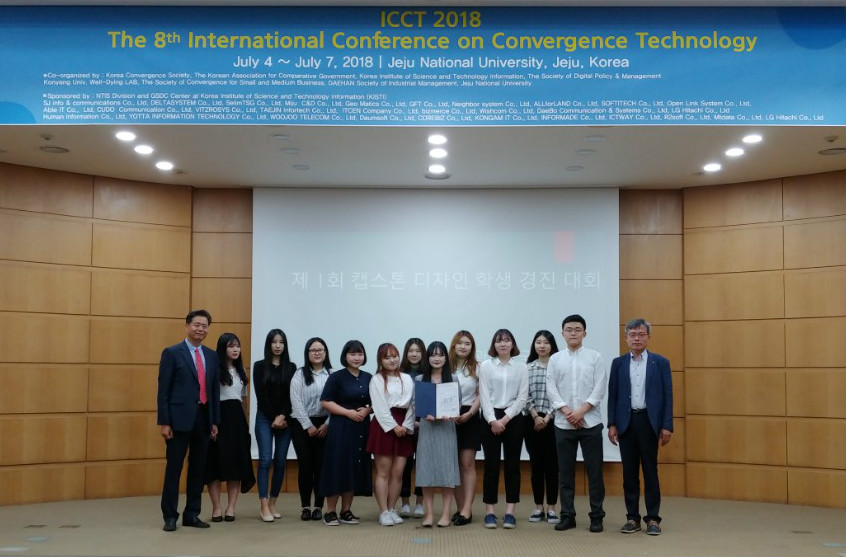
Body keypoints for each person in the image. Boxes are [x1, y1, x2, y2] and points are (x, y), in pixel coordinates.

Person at [607, 318, 673, 536]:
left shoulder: (660, 362)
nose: (636, 338)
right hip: (626, 423)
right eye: (632, 335)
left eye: (641, 334)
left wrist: (667, 425)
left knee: (650, 471)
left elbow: (668, 396)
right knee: (629, 473)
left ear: (648, 337)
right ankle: (632, 518)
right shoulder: (618, 363)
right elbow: (613, 396)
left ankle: (653, 518)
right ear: (626, 338)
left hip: (649, 422)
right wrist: (612, 424)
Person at [157, 309, 220, 532]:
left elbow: (213, 391)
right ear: (187, 326)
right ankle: (170, 516)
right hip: (178, 420)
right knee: (174, 469)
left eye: (204, 326)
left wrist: (214, 421)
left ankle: (192, 514)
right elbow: (163, 391)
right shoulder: (172, 353)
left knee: (198, 469)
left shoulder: (212, 355)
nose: (200, 329)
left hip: (203, 419)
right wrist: (164, 422)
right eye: (196, 325)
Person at [546, 315, 607, 533]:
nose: (573, 333)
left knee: (595, 472)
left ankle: (596, 516)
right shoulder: (555, 359)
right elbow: (551, 388)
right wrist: (567, 411)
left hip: (590, 423)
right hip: (564, 424)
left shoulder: (595, 357)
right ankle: (567, 515)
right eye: (569, 329)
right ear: (562, 333)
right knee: (565, 473)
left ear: (585, 333)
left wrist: (581, 411)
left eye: (577, 329)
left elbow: (600, 387)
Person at [478, 329, 528, 530]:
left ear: (512, 344)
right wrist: (493, 420)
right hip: (489, 419)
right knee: (491, 465)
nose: (503, 344)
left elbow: (522, 397)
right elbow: (484, 396)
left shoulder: (521, 367)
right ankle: (489, 511)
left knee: (512, 466)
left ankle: (510, 512)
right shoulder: (486, 366)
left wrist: (505, 419)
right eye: (499, 341)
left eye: (507, 340)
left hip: (513, 418)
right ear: (494, 345)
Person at [319, 340, 373, 526]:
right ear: (345, 356)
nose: (356, 357)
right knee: (338, 467)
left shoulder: (368, 377)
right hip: (341, 427)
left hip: (361, 427)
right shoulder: (337, 377)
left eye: (359, 354)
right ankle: (330, 511)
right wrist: (348, 413)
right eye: (352, 354)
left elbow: (377, 401)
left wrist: (368, 410)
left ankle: (346, 510)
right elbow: (325, 401)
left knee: (354, 467)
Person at [205, 332, 256, 522]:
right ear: (222, 348)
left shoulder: (241, 370)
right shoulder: (213, 369)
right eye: (231, 346)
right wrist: (212, 422)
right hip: (218, 417)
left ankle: (231, 507)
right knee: (214, 464)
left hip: (236, 420)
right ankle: (216, 507)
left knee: (236, 464)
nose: (235, 349)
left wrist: (245, 424)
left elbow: (243, 400)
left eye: (238, 346)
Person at [367, 343, 415, 526]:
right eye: (387, 357)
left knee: (398, 473)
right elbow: (379, 406)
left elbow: (413, 404)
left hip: (404, 426)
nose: (392, 360)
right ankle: (383, 512)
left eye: (394, 356)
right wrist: (394, 426)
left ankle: (392, 508)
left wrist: (407, 425)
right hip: (384, 426)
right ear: (380, 360)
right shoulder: (377, 379)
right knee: (383, 472)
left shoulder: (407, 378)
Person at [414, 341, 461, 528]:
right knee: (426, 471)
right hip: (427, 429)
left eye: (440, 354)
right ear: (428, 358)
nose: (436, 358)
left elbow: (457, 405)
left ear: (446, 358)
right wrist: (424, 414)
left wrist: (451, 414)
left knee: (447, 471)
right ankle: (429, 514)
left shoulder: (453, 379)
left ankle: (446, 514)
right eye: (433, 355)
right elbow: (415, 405)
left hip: (446, 429)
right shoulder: (420, 379)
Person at [252, 329, 296, 522]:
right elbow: (260, 396)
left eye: (281, 342)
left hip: (286, 419)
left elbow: (292, 396)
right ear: (268, 344)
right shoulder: (259, 366)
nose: (278, 345)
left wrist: (283, 415)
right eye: (274, 342)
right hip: (265, 417)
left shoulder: (291, 367)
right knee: (265, 460)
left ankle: (272, 503)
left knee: (280, 462)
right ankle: (263, 504)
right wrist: (274, 417)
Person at [290, 337, 333, 522]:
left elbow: (337, 402)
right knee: (306, 466)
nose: (317, 353)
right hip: (301, 424)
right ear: (307, 353)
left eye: (320, 350)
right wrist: (308, 425)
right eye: (313, 350)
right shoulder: (299, 374)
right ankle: (305, 506)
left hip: (325, 424)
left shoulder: (332, 374)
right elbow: (296, 401)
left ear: (325, 352)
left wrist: (327, 424)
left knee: (321, 466)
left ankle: (318, 507)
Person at [523, 330, 561, 525]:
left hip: (554, 421)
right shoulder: (527, 368)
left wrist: (547, 417)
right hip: (531, 421)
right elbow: (524, 395)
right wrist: (536, 416)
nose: (542, 346)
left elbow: (561, 394)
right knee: (536, 465)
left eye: (546, 342)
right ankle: (538, 507)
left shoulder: (559, 367)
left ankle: (552, 508)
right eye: (538, 342)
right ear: (534, 345)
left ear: (552, 345)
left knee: (553, 466)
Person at [448, 330, 481, 526]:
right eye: (460, 343)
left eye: (467, 343)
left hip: (470, 415)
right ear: (454, 345)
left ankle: (467, 509)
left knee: (467, 464)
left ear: (472, 347)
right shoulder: (445, 366)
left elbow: (481, 394)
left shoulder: (478, 367)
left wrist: (470, 413)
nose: (463, 346)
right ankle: (460, 508)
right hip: (447, 417)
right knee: (454, 466)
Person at [398, 338, 426, 518]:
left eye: (418, 351)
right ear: (406, 353)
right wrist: (410, 423)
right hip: (404, 424)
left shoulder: (428, 374)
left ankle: (420, 503)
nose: (414, 354)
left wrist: (422, 422)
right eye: (411, 351)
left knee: (422, 464)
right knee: (404, 464)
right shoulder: (399, 374)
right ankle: (405, 502)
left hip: (426, 423)